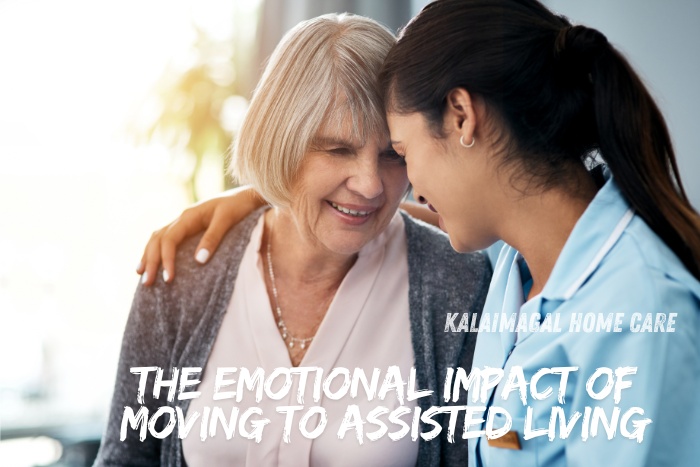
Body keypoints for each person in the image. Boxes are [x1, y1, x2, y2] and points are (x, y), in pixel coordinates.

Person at [139, 1, 700, 466]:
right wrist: (267, 190)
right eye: (337, 149)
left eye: (399, 154)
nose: (398, 187)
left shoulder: (639, 312)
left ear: (461, 117)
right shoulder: (516, 265)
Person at [94, 13, 491, 467]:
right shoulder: (185, 271)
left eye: (391, 155)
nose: (370, 185)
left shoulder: (457, 282)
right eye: (337, 149)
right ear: (281, 142)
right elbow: (126, 457)